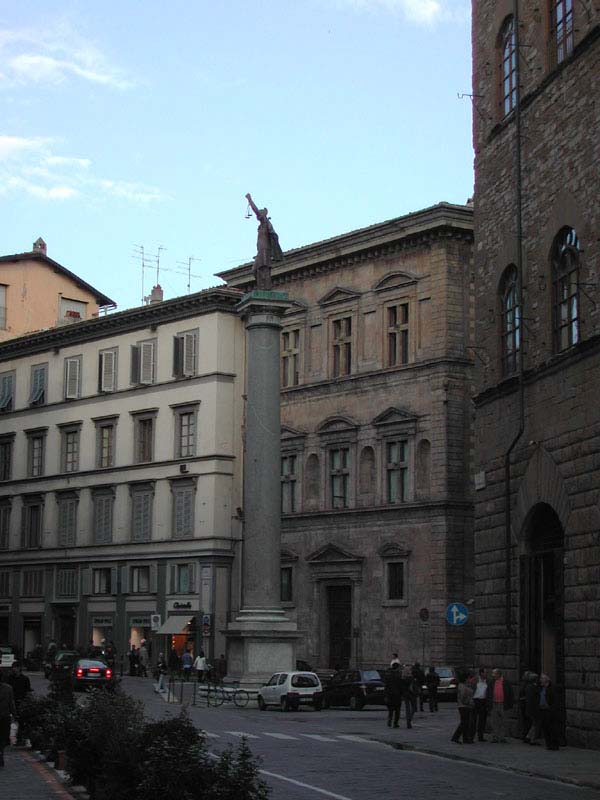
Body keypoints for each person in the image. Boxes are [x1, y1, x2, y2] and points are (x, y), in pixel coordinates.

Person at [245, 192, 284, 290]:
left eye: (260, 213)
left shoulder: (265, 222)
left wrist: (250, 200)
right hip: (260, 251)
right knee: (255, 270)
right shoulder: (261, 226)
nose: (258, 215)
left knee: (264, 269)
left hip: (265, 249)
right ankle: (262, 287)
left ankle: (266, 288)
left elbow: (256, 211)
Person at [7, 663, 31, 746]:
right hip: (11, 701)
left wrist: (27, 700)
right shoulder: (10, 678)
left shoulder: (25, 679)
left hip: (21, 701)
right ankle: (7, 738)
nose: (14, 669)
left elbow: (28, 690)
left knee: (21, 720)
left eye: (16, 667)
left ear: (19, 668)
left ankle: (20, 738)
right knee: (8, 720)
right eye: (13, 667)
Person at [488, 667, 514, 743]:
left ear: (498, 674)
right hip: (494, 703)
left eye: (494, 673)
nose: (492, 675)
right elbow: (488, 693)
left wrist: (510, 704)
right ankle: (495, 737)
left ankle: (502, 737)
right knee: (494, 721)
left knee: (504, 721)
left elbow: (510, 693)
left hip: (503, 704)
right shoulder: (491, 682)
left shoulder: (506, 682)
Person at [451, 671, 475, 744]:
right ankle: (456, 737)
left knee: (466, 723)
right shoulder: (462, 686)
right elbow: (462, 697)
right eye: (468, 678)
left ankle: (465, 738)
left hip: (466, 706)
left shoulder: (466, 685)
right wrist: (469, 702)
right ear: (466, 678)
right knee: (464, 722)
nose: (469, 679)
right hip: (463, 706)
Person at [0, 672, 17, 768]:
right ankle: (1, 751)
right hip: (5, 716)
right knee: (3, 736)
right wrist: (15, 714)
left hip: (5, 716)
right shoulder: (8, 688)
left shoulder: (8, 688)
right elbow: (11, 703)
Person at [538, 673, 559, 750]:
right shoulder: (541, 688)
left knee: (551, 728)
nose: (540, 680)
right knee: (545, 728)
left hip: (549, 711)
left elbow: (555, 700)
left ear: (546, 680)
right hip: (542, 710)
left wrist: (551, 708)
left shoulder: (552, 688)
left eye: (542, 678)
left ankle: (554, 744)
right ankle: (548, 744)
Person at [472, 667, 489, 742]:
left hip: (483, 701)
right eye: (485, 672)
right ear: (481, 673)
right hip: (475, 700)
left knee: (482, 720)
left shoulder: (487, 681)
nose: (486, 674)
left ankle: (480, 736)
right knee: (473, 719)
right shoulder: (475, 680)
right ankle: (471, 736)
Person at [384, 662, 403, 728]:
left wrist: (386, 695)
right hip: (397, 695)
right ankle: (395, 723)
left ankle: (389, 720)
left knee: (391, 710)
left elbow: (386, 686)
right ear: (397, 668)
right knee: (397, 710)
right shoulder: (398, 676)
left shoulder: (388, 675)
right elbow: (401, 686)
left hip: (390, 695)